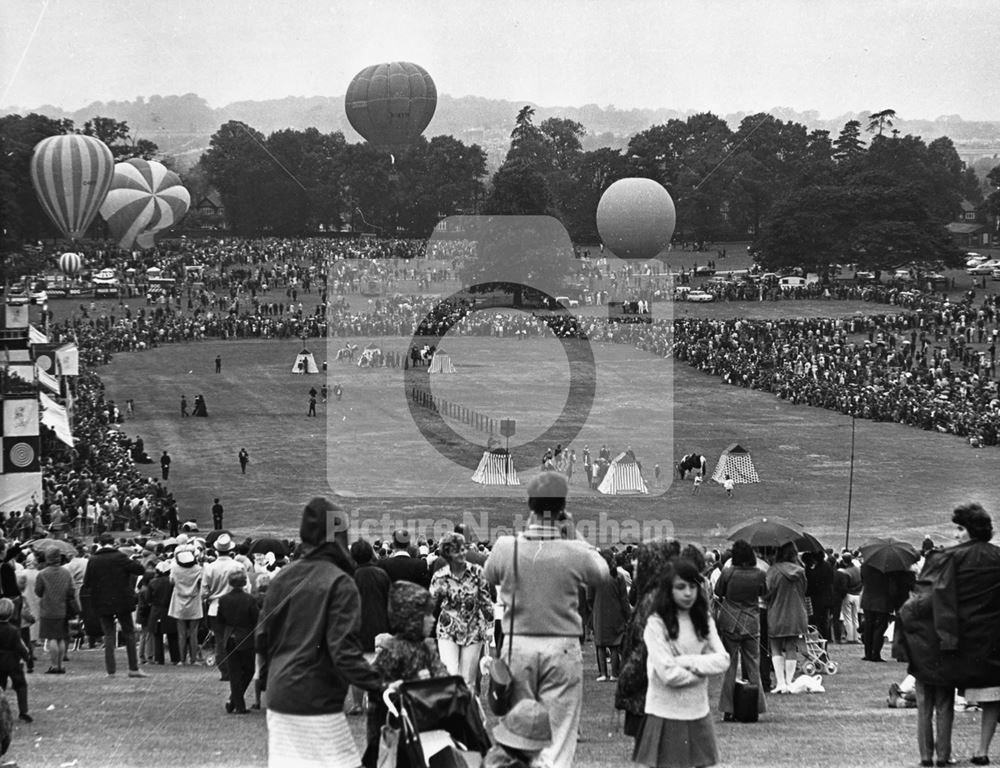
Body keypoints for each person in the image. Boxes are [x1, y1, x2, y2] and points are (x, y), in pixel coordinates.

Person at [484, 471, 609, 768]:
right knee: (560, 733)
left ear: (530, 505)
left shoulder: (506, 547)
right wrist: (573, 531)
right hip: (561, 645)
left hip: (518, 645)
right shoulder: (574, 551)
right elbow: (602, 572)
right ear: (562, 507)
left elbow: (490, 573)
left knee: (519, 731)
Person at [256, 497, 383, 768]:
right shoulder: (339, 582)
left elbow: (263, 638)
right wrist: (382, 683)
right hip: (316, 696)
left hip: (280, 693)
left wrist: (268, 679)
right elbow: (344, 653)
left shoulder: (281, 578)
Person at [896, 503, 1000, 767]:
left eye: (960, 528)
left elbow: (931, 598)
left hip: (945, 642)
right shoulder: (997, 557)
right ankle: (962, 753)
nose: (955, 535)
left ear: (970, 530)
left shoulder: (948, 559)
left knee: (928, 703)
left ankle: (928, 757)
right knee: (965, 700)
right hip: (986, 642)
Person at [634, 558, 729, 768]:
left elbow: (723, 660)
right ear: (669, 590)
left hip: (698, 711)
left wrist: (687, 661)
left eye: (693, 586)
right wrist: (702, 671)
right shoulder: (655, 624)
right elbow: (667, 673)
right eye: (681, 587)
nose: (688, 593)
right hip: (665, 713)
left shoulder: (704, 619)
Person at [429, 532, 492, 688]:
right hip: (448, 629)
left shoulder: (477, 573)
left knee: (468, 681)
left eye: (463, 549)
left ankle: (466, 710)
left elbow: (486, 601)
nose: (462, 553)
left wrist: (490, 627)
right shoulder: (440, 576)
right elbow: (431, 604)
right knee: (450, 675)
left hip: (473, 630)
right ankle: (451, 710)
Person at [82, 532, 148, 678]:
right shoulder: (120, 557)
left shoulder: (93, 560)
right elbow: (140, 570)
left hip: (102, 601)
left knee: (109, 635)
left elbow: (87, 582)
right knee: (129, 633)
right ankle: (133, 668)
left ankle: (110, 670)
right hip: (122, 600)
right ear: (114, 543)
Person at [714, 540, 767, 720]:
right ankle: (755, 706)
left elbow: (718, 591)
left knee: (729, 666)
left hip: (730, 620)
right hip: (751, 621)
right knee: (753, 664)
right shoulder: (759, 574)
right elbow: (763, 592)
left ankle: (728, 708)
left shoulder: (728, 572)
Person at [764, 541, 808, 694]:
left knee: (776, 648)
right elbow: (804, 590)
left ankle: (780, 682)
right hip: (796, 612)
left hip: (777, 611)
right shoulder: (801, 571)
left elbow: (767, 591)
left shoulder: (773, 571)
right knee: (791, 648)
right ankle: (789, 682)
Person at [217, 570, 259, 714]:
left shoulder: (223, 600)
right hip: (246, 637)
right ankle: (236, 702)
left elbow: (220, 620)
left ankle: (235, 701)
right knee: (248, 670)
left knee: (234, 672)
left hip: (230, 637)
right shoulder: (250, 599)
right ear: (244, 582)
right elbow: (255, 619)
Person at [34, 549, 79, 675]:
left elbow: (38, 591)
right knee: (61, 638)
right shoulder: (66, 573)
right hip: (63, 608)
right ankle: (60, 665)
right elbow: (71, 591)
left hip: (48, 609)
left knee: (52, 638)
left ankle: (54, 666)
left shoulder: (42, 574)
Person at [860, 559, 914, 662]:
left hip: (868, 598)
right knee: (880, 627)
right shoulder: (888, 569)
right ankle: (875, 653)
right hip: (882, 600)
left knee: (869, 626)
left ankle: (868, 653)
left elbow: (863, 580)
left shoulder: (865, 566)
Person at [590, 548, 631, 682]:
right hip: (616, 613)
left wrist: (593, 610)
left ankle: (603, 673)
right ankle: (614, 673)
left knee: (600, 644)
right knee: (615, 644)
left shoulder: (594, 576)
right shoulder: (618, 577)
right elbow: (624, 599)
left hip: (599, 613)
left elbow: (588, 597)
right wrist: (627, 615)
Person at [484, 699, 553, 768]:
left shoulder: (499, 752)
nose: (541, 749)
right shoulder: (508, 764)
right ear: (529, 749)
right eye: (539, 746)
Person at [168, 547, 203, 665]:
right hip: (194, 600)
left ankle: (182, 659)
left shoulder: (175, 569)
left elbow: (171, 582)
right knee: (194, 633)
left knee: (181, 633)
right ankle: (193, 659)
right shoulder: (198, 569)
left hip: (179, 601)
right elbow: (200, 583)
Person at [0, 598, 32, 722]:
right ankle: (23, 711)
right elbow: (20, 647)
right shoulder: (13, 630)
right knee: (21, 685)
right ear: (11, 612)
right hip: (12, 662)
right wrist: (27, 657)